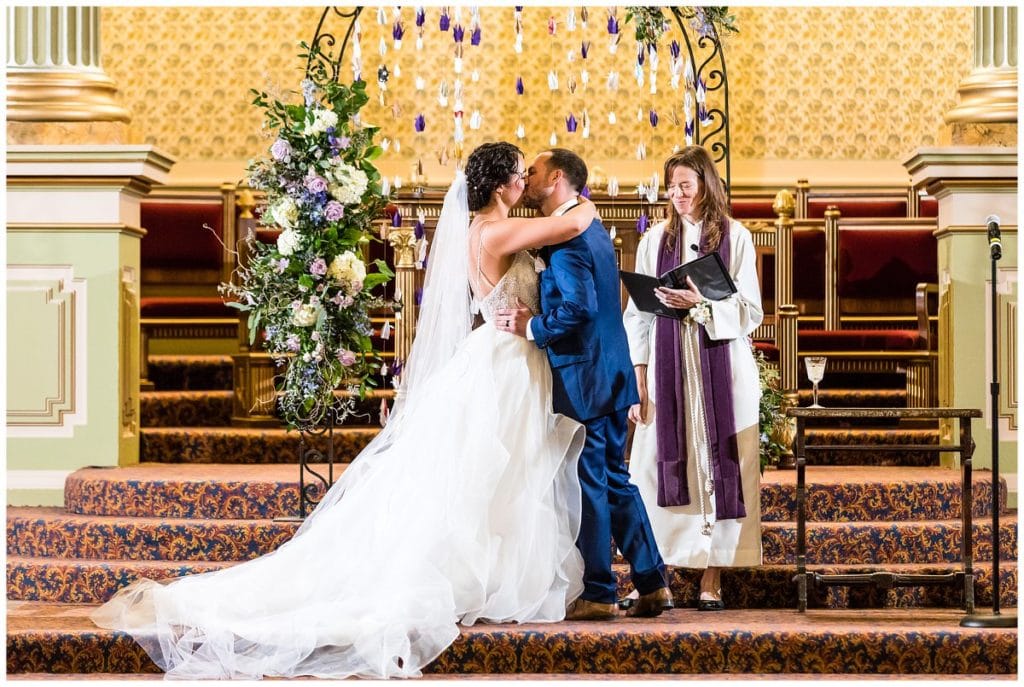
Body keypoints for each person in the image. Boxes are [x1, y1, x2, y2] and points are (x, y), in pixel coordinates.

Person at [91, 142, 606, 679]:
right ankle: (474, 575)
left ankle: (497, 572)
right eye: (520, 175)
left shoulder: (486, 228)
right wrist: (581, 201)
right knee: (491, 472)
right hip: (505, 363)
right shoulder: (493, 231)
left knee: (503, 475)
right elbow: (567, 228)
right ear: (501, 185)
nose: (526, 182)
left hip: (510, 357)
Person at [496, 148, 671, 620]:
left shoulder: (568, 239)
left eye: (532, 172)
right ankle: (652, 582)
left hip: (587, 377)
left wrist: (532, 327)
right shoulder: (584, 226)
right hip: (607, 372)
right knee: (614, 479)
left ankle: (599, 592)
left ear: (555, 179)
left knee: (591, 481)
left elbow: (578, 307)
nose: (526, 178)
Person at [621, 145, 763, 612]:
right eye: (672, 187)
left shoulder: (736, 237)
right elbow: (637, 315)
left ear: (706, 185)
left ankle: (712, 575)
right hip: (666, 369)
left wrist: (700, 307)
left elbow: (751, 311)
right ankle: (653, 574)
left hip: (720, 363)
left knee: (719, 466)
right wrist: (637, 377)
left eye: (686, 185)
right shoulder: (653, 241)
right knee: (651, 468)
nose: (677, 194)